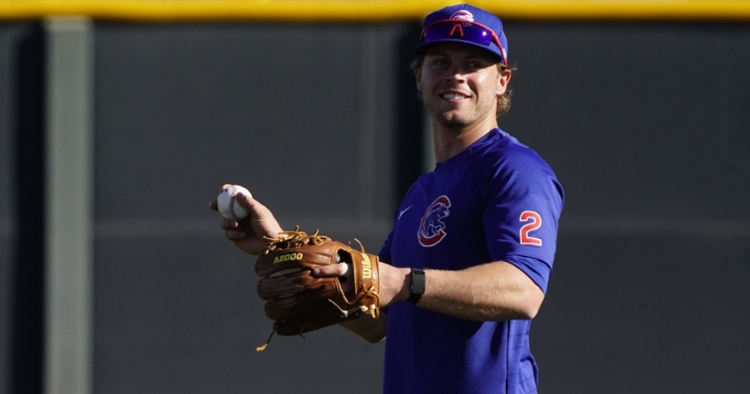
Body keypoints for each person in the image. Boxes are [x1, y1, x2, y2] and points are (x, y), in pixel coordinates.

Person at [211, 3, 564, 393]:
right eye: (440, 62)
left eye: (473, 63)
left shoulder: (515, 169)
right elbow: (378, 321)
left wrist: (401, 280)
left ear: (501, 80)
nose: (456, 76)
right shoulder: (421, 191)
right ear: (418, 77)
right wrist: (282, 246)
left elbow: (524, 290)